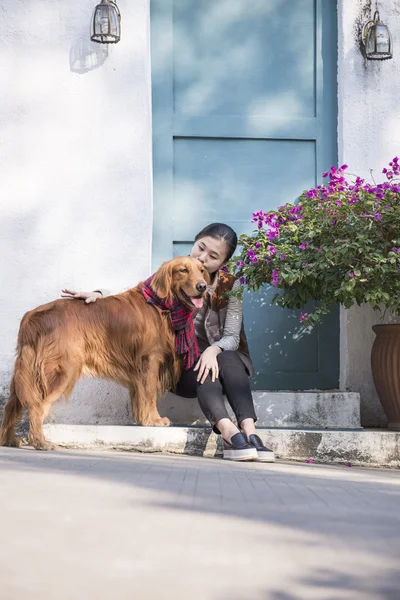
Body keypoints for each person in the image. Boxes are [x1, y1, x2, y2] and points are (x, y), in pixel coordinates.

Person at [61, 223, 275, 463]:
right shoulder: (174, 273)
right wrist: (99, 294)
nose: (202, 258)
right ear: (194, 242)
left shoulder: (229, 285)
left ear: (222, 263)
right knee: (207, 371)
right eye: (201, 248)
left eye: (213, 256)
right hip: (186, 366)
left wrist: (211, 350)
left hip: (221, 359)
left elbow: (232, 337)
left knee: (227, 357)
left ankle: (251, 434)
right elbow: (139, 294)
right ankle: (230, 433)